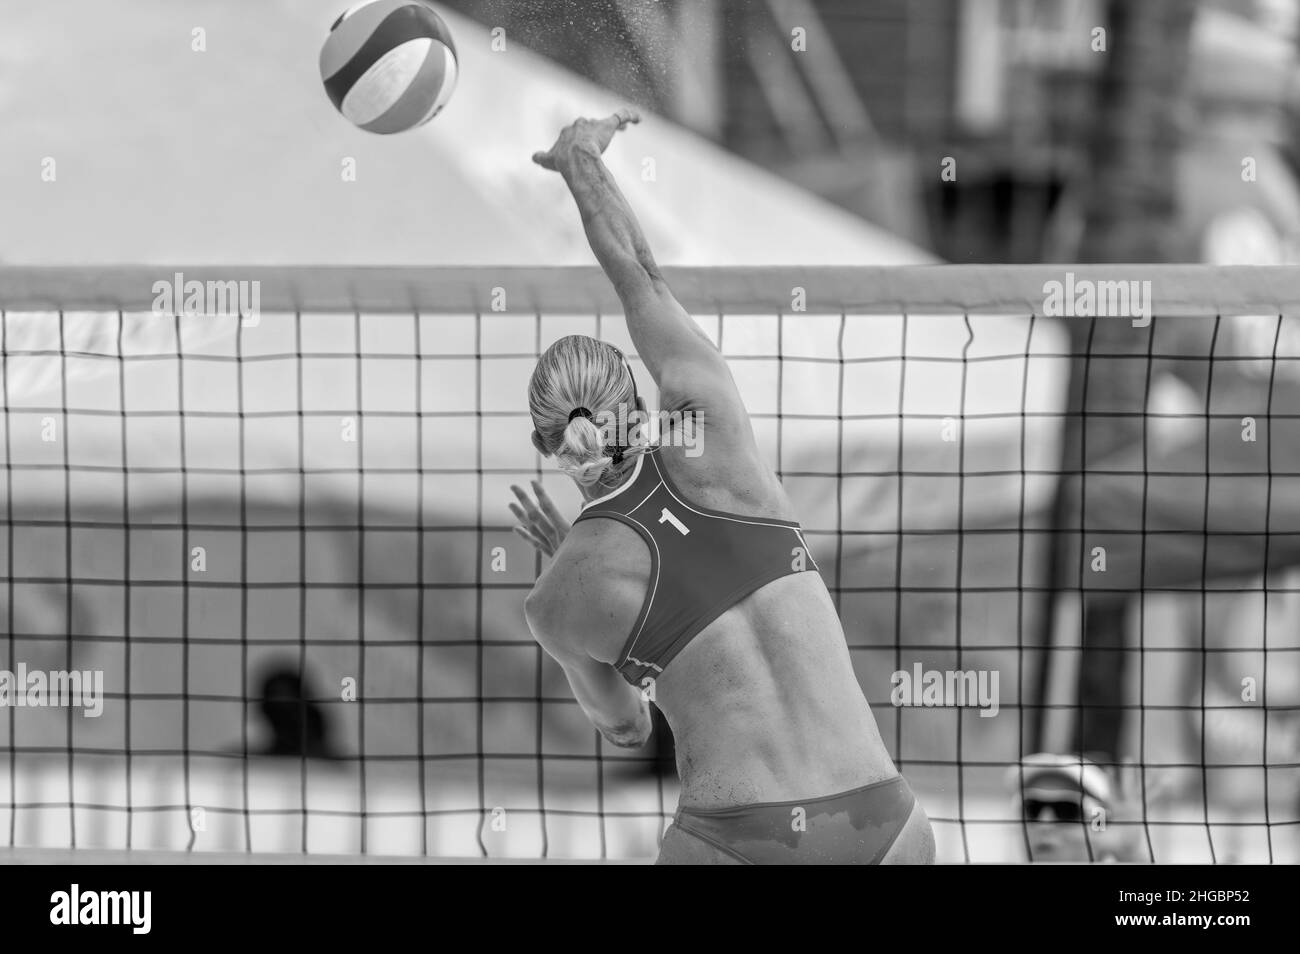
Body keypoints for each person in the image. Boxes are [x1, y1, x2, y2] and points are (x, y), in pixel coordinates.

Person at [509, 109, 934, 864]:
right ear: (636, 407)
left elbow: (628, 729)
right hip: (888, 826)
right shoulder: (711, 425)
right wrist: (582, 163)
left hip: (740, 842)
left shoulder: (559, 601)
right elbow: (638, 271)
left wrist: (567, 569)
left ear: (548, 447)